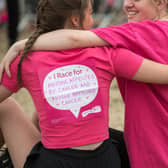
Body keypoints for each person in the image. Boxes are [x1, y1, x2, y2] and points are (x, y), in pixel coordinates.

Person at [1, 0, 168, 168]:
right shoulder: (107, 53)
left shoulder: (25, 60)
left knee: (6, 106)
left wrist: (21, 46)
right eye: (90, 13)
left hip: (55, 161)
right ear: (75, 19)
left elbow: (72, 38)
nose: (93, 21)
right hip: (106, 160)